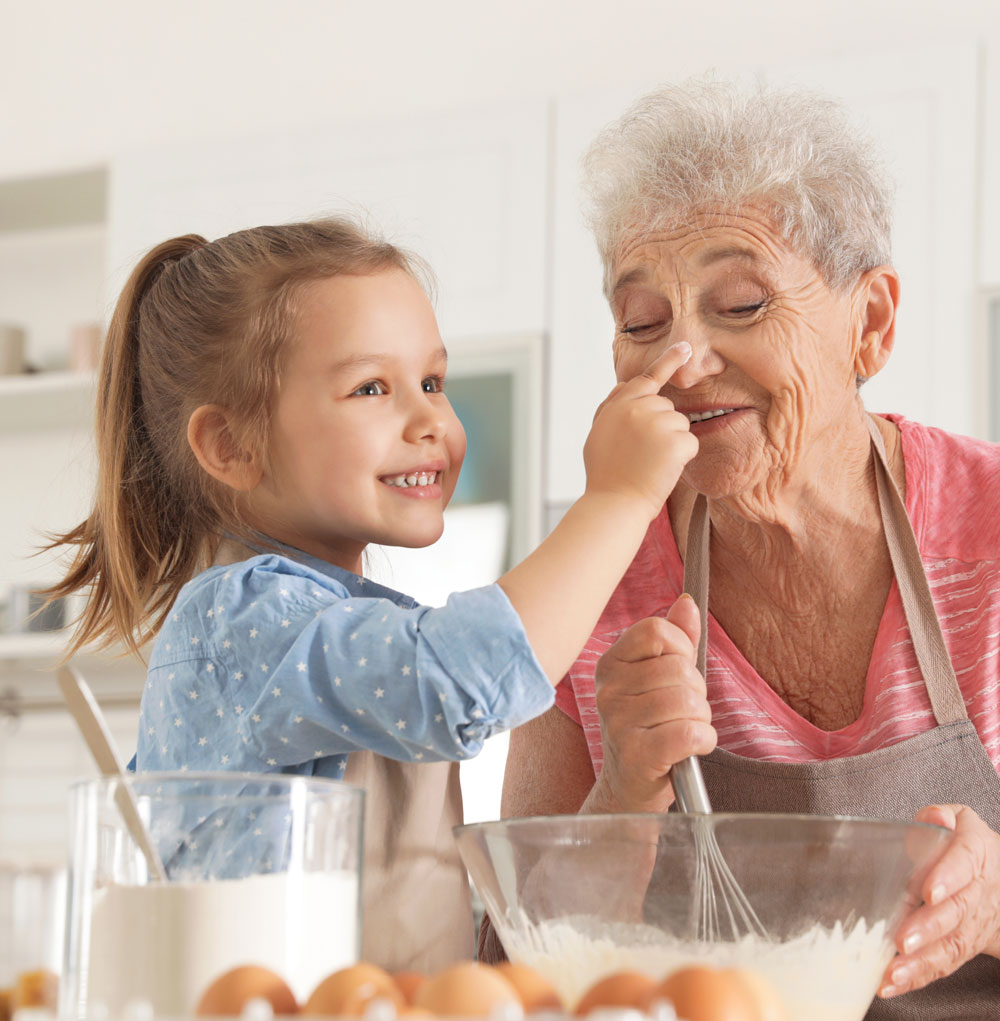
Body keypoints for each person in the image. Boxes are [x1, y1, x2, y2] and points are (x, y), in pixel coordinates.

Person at [488, 79, 1000, 1021]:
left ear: (869, 323)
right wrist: (623, 794)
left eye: (739, 305)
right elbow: (516, 984)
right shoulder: (592, 586)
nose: (681, 362)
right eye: (641, 321)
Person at [48, 216, 697, 972]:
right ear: (231, 445)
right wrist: (617, 497)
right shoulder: (238, 618)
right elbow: (463, 682)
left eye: (431, 382)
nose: (430, 420)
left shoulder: (356, 628)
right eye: (371, 388)